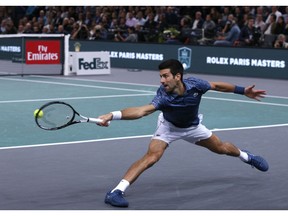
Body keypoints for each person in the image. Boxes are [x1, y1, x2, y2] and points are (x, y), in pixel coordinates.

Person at [97, 59, 269, 208]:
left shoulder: (195, 84)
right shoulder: (164, 96)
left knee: (221, 148)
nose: (161, 80)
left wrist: (242, 90)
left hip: (192, 127)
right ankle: (116, 192)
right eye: (160, 76)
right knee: (152, 157)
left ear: (177, 76)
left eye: (165, 76)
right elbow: (142, 111)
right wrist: (113, 115)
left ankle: (247, 157)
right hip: (169, 127)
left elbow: (216, 86)